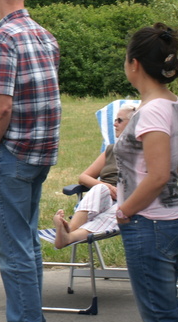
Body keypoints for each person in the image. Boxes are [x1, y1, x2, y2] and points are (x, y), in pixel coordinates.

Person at [0, 0, 61, 322]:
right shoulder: (45, 37)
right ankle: (30, 321)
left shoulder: (2, 39)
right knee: (27, 240)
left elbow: (2, 107)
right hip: (40, 153)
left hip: (9, 155)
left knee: (13, 246)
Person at [114, 23, 178, 322]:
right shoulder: (171, 105)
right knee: (162, 315)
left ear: (135, 64)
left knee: (162, 318)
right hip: (164, 221)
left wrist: (126, 209)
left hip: (150, 224)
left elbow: (159, 175)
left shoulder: (154, 110)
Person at [52, 104, 136, 248]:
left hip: (127, 201)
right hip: (100, 199)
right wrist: (105, 186)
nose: (114, 124)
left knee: (119, 212)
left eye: (119, 120)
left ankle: (68, 236)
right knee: (99, 189)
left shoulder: (145, 152)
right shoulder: (111, 150)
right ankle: (69, 229)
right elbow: (83, 177)